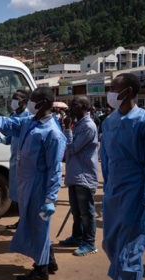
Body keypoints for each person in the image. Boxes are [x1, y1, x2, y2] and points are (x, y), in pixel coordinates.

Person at [0, 87, 66, 280]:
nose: (28, 103)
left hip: (40, 186)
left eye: (33, 100)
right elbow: (5, 124)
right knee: (35, 225)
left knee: (39, 227)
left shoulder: (52, 132)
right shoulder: (29, 122)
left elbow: (55, 169)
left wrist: (50, 198)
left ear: (43, 103)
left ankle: (41, 268)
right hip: (27, 184)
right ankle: (48, 261)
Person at [101, 73, 145, 280]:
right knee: (110, 245)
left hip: (138, 199)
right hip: (114, 196)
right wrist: (106, 189)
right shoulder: (109, 122)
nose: (110, 92)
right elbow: (106, 160)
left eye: (115, 87)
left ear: (130, 92)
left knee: (131, 255)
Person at [58, 95, 99, 256]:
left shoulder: (88, 126)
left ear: (84, 107)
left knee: (86, 212)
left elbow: (72, 148)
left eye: (74, 105)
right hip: (75, 174)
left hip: (84, 175)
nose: (70, 108)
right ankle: (77, 236)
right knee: (76, 210)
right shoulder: (78, 123)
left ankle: (89, 242)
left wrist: (67, 129)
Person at [0, 90, 32, 230]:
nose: (13, 102)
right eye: (13, 99)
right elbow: (11, 137)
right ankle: (22, 220)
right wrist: (3, 140)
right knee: (18, 193)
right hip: (15, 160)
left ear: (24, 101)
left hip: (24, 161)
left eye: (17, 99)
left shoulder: (28, 117)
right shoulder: (14, 115)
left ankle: (26, 222)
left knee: (25, 195)